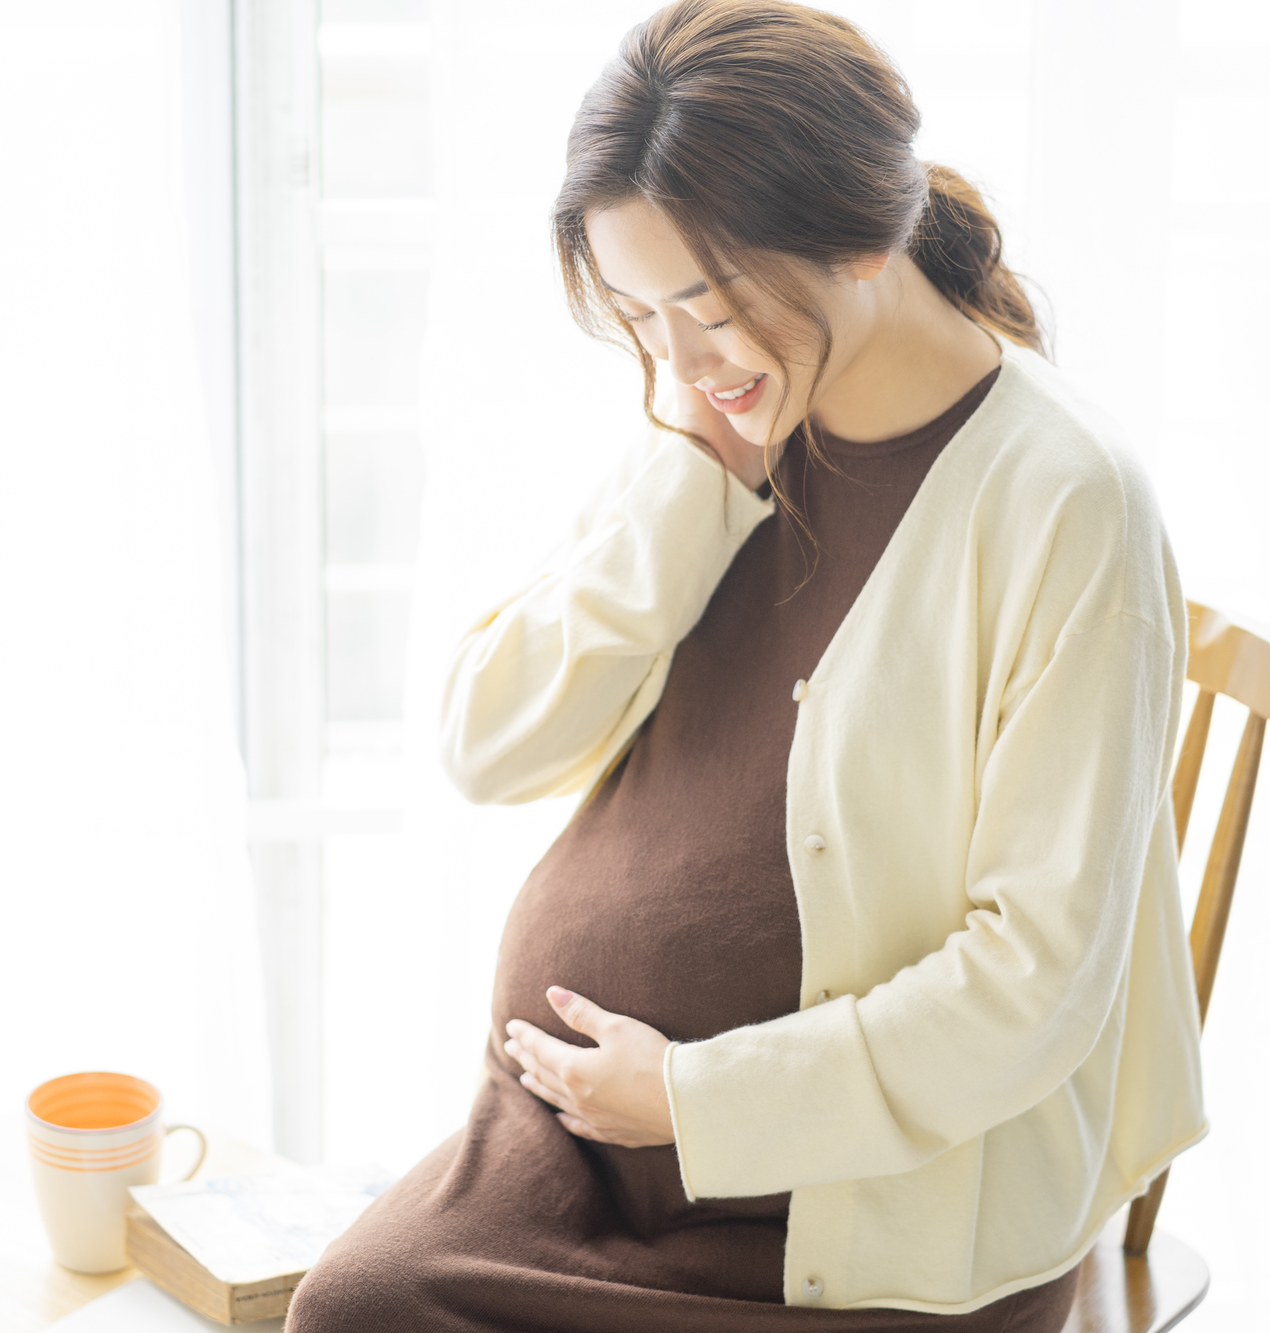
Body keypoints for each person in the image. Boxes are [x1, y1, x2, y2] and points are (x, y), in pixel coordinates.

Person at [287, 1, 1204, 1328]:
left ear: (860, 243)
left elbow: (1032, 989)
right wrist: (689, 484)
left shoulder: (1068, 503)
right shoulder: (731, 410)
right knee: (351, 1303)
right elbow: (487, 742)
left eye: (699, 312)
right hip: (589, 1146)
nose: (669, 362)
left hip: (864, 1218)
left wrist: (689, 1100)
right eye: (637, 316)